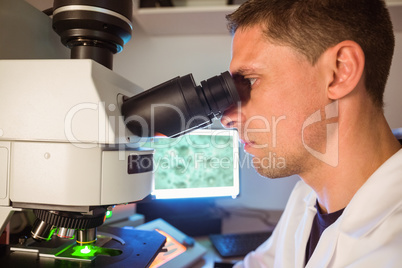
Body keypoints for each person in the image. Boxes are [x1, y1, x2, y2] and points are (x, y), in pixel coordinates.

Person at [220, 0, 402, 267]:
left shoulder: (390, 253)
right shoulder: (306, 195)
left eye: (249, 80)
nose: (227, 119)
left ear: (340, 71)